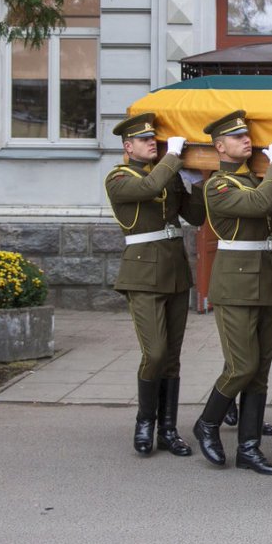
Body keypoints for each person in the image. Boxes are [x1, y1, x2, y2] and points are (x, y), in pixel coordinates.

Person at [190, 110, 272, 476]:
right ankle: (207, 422)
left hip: (266, 279)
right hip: (235, 285)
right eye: (237, 137)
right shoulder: (219, 186)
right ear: (219, 146)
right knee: (241, 365)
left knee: (261, 370)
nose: (246, 140)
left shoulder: (257, 179)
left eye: (248, 135)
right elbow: (256, 205)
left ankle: (249, 447)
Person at [105, 112, 206, 457]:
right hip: (142, 275)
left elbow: (195, 217)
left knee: (173, 358)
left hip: (175, 272)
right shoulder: (118, 178)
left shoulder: (168, 175)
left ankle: (168, 429)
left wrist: (199, 182)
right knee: (156, 352)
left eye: (155, 140)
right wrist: (174, 158)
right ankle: (145, 422)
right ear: (128, 146)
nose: (152, 144)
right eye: (145, 140)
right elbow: (148, 188)